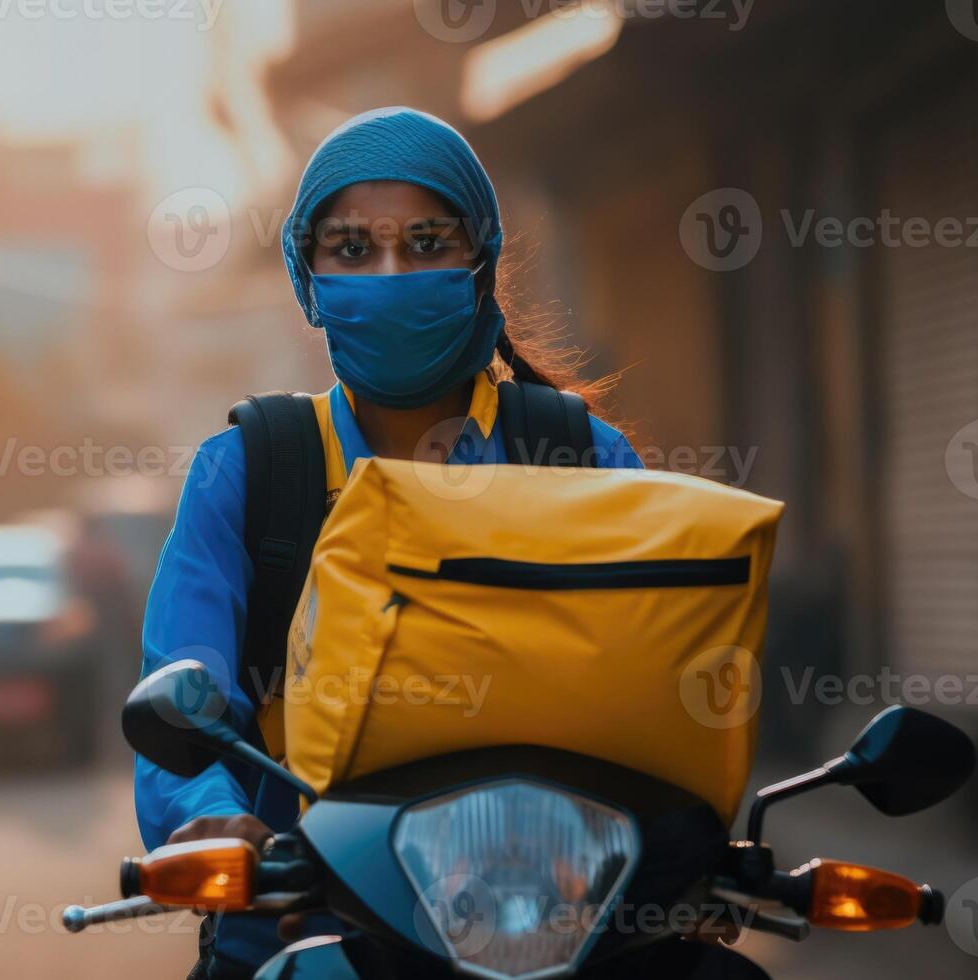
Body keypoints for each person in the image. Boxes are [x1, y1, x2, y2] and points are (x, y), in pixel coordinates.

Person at [133, 106, 644, 978]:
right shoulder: (250, 474)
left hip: (559, 920)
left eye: (425, 242)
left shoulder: (581, 458)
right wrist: (217, 818)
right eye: (353, 251)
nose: (391, 273)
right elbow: (188, 703)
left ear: (478, 263)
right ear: (309, 279)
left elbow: (659, 684)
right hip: (298, 925)